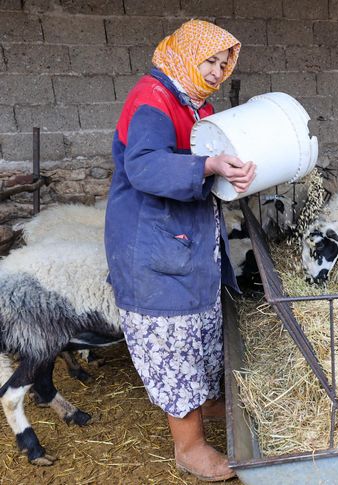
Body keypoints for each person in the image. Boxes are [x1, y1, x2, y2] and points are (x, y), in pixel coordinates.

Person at [104, 20, 255, 482]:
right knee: (172, 347)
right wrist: (208, 164)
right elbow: (145, 166)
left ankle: (206, 404)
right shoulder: (152, 99)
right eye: (208, 60)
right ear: (185, 54)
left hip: (183, 241)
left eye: (222, 62)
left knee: (201, 334)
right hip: (152, 245)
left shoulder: (192, 103)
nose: (215, 71)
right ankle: (188, 448)